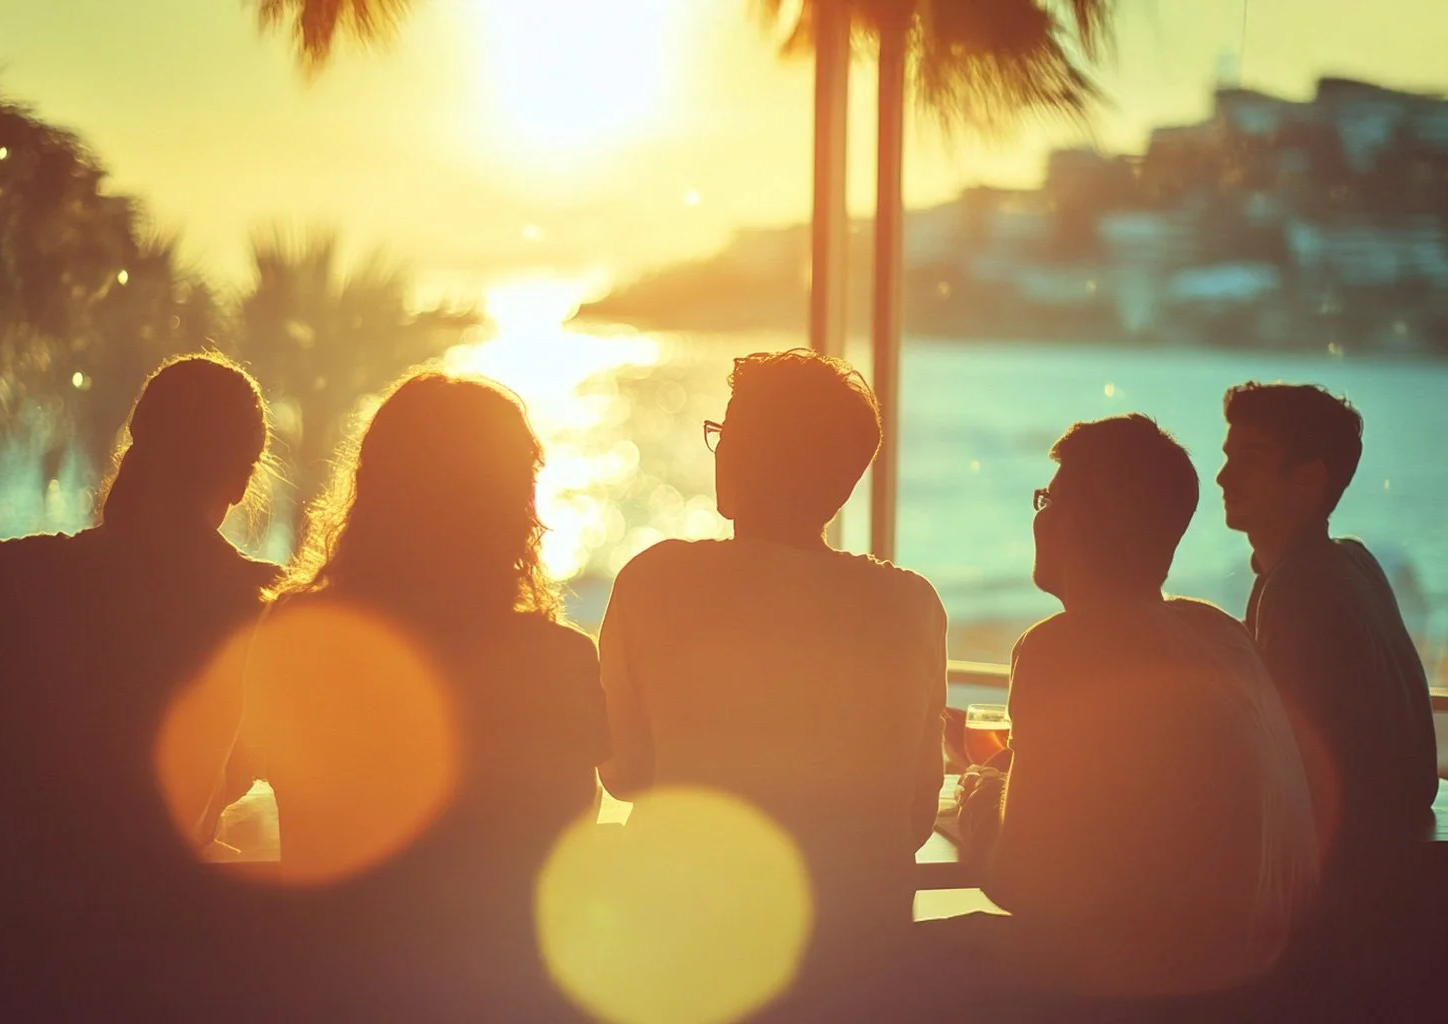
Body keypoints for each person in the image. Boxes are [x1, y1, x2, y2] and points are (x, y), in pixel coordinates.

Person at [239, 370, 608, 1019]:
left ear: (376, 491)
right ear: (514, 507)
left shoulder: (297, 635)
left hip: (334, 986)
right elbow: (566, 841)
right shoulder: (560, 662)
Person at [597, 350, 948, 984]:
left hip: (691, 954)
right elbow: (916, 818)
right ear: (842, 485)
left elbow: (625, 774)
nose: (721, 449)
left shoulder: (658, 581)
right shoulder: (911, 605)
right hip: (860, 967)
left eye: (729, 432)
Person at [950, 415, 1317, 1011]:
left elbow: (1022, 881)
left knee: (877, 961)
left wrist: (979, 798)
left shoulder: (1061, 646)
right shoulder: (1221, 634)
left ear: (1069, 520)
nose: (1039, 517)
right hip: (1262, 983)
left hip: (1138, 990)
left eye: (1048, 498)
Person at [0, 354, 278, 1015]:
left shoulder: (11, 578)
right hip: (160, 961)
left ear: (138, 445)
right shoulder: (258, 609)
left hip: (6, 955)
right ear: (239, 479)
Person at [1217, 383, 1437, 877]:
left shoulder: (1298, 591)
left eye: (1249, 460)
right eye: (1228, 456)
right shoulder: (1353, 561)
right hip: (1393, 837)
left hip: (1354, 870)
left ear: (1307, 481)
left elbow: (1284, 768)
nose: (1222, 477)